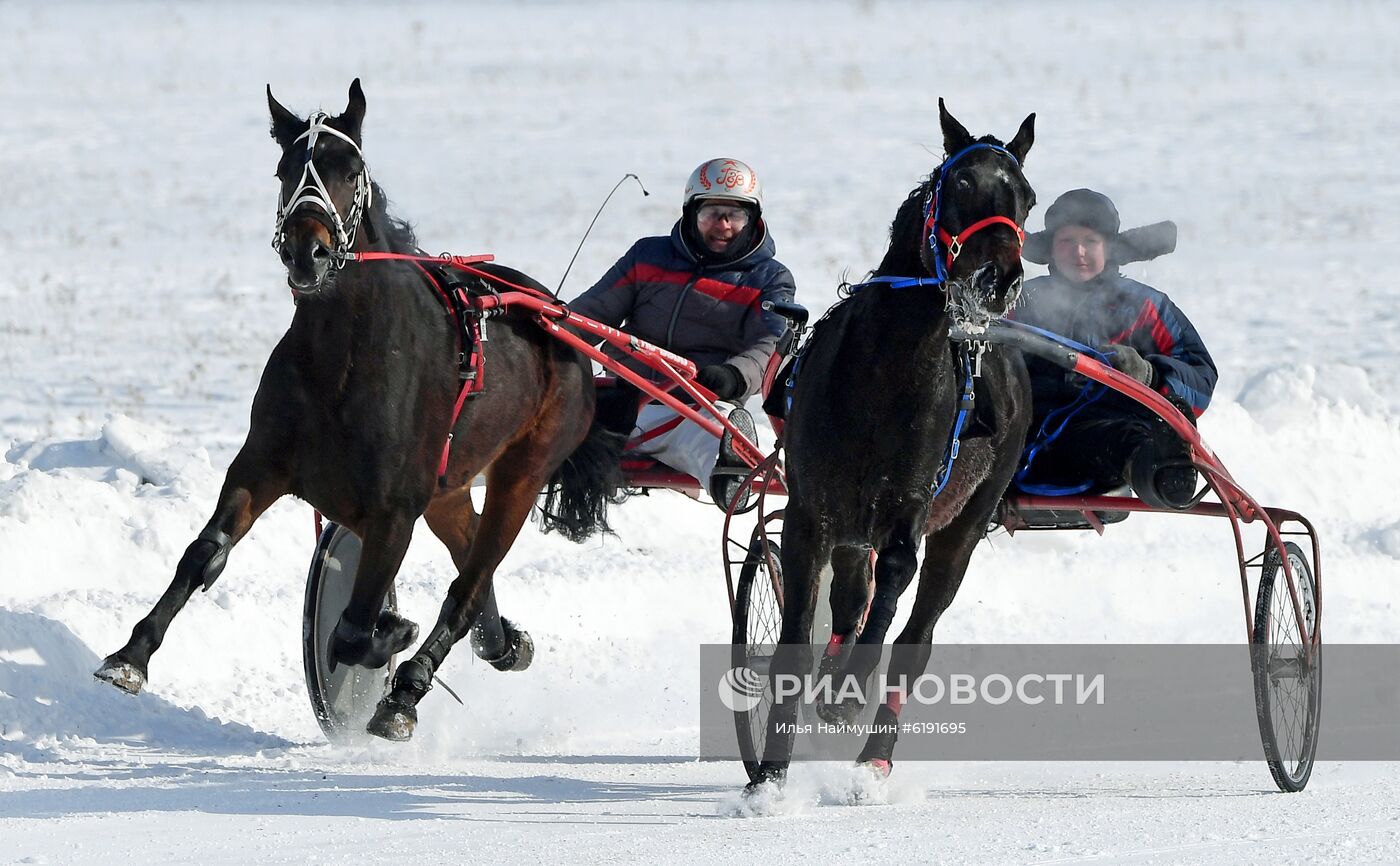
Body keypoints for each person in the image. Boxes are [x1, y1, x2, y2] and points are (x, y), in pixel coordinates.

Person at [569, 158, 796, 510]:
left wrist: (734, 375)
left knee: (710, 433)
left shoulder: (769, 279)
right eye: (711, 213)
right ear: (691, 213)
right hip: (624, 402)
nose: (722, 226)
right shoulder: (648, 255)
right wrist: (547, 337)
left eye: (734, 216)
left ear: (753, 220)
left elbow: (770, 346)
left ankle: (732, 469)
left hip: (698, 406)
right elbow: (591, 313)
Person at [1012, 188, 1218, 509]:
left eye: (1090, 242)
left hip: (1102, 439)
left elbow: (1201, 377)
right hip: (1020, 436)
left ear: (1108, 248)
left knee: (1124, 439)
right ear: (1051, 250)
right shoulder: (1020, 301)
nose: (1078, 252)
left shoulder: (1145, 306)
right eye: (1066, 242)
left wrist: (1149, 373)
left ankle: (1165, 473)